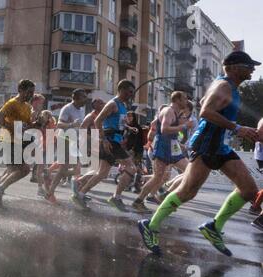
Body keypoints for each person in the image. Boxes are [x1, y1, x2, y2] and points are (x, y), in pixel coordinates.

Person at [138, 51, 262, 256]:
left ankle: (214, 227)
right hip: (206, 145)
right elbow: (205, 110)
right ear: (231, 67)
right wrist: (237, 128)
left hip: (219, 146)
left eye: (252, 66)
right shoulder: (224, 86)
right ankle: (150, 226)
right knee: (188, 191)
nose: (252, 69)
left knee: (248, 190)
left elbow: (204, 101)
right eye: (247, 66)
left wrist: (238, 128)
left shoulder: (226, 85)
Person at [70, 80, 137, 211]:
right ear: (122, 89)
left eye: (133, 92)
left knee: (102, 173)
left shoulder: (123, 105)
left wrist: (128, 128)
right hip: (110, 141)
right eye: (130, 91)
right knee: (132, 167)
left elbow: (117, 123)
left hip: (115, 141)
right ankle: (116, 197)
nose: (131, 94)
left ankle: (81, 194)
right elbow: (97, 120)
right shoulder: (113, 103)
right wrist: (104, 139)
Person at [132, 92, 193, 213]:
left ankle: (165, 192)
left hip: (173, 146)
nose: (186, 101)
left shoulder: (176, 113)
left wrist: (184, 121)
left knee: (190, 171)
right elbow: (164, 129)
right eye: (185, 99)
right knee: (157, 177)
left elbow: (168, 126)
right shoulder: (168, 111)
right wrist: (184, 127)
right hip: (163, 146)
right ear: (177, 100)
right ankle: (138, 201)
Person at [0, 80, 36, 208]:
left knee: (14, 170)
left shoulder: (27, 106)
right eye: (29, 92)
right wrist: (13, 128)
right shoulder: (12, 103)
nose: (31, 95)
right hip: (9, 140)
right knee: (23, 169)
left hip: (19, 142)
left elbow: (27, 125)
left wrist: (36, 123)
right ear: (20, 90)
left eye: (33, 92)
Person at [44, 89, 87, 204]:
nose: (85, 99)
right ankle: (50, 188)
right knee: (71, 168)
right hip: (64, 138)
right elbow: (59, 124)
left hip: (73, 140)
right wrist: (72, 124)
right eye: (83, 97)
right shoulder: (67, 108)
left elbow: (80, 126)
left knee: (74, 168)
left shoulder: (82, 110)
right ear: (76, 98)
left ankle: (49, 177)